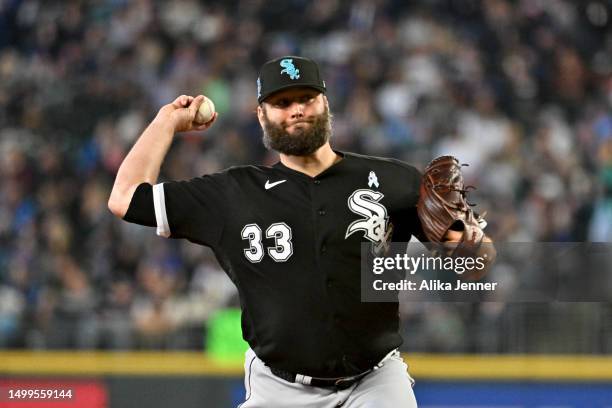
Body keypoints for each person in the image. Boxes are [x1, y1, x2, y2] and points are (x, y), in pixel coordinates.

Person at [108, 56, 488, 407]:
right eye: (282, 102)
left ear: (325, 104)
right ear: (261, 115)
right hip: (278, 388)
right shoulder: (232, 193)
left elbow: (476, 264)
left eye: (306, 97)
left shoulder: (395, 180)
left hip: (375, 381)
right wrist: (166, 122)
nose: (297, 110)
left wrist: (469, 242)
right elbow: (125, 198)